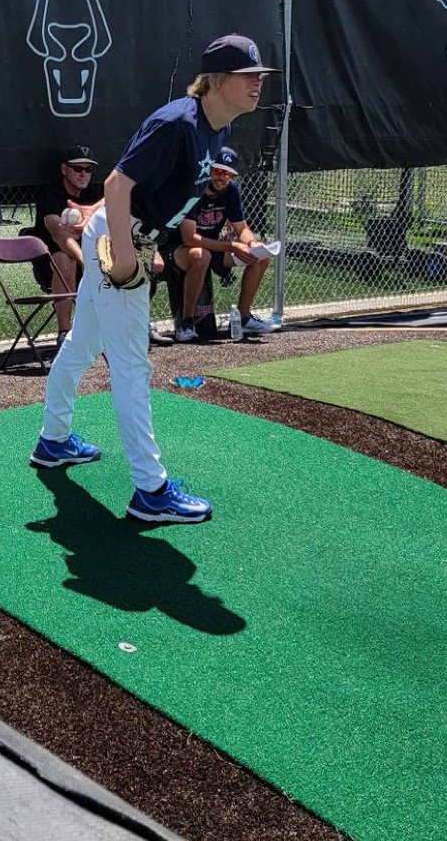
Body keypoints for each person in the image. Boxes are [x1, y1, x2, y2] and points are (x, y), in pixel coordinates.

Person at [31, 34, 277, 525]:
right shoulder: (178, 123)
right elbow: (118, 182)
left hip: (128, 237)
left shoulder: (213, 130)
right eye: (249, 76)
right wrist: (122, 255)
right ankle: (151, 490)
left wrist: (114, 235)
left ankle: (53, 441)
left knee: (82, 345)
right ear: (218, 80)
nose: (258, 84)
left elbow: (137, 191)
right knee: (131, 367)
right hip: (123, 244)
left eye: (260, 77)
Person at [169, 146, 274, 342]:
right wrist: (232, 246)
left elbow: (241, 229)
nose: (222, 177)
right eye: (218, 171)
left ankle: (243, 317)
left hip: (213, 247)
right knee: (201, 256)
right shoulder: (194, 189)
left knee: (260, 257)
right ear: (208, 170)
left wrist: (251, 243)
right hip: (178, 250)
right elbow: (189, 238)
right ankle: (186, 323)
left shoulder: (231, 191)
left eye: (227, 174)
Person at [25, 144, 103, 348]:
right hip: (51, 265)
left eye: (88, 169)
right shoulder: (50, 194)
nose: (83, 174)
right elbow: (58, 234)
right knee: (64, 258)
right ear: (64, 169)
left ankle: (127, 328)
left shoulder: (94, 193)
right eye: (77, 169)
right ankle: (64, 333)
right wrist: (86, 261)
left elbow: (116, 201)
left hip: (91, 261)